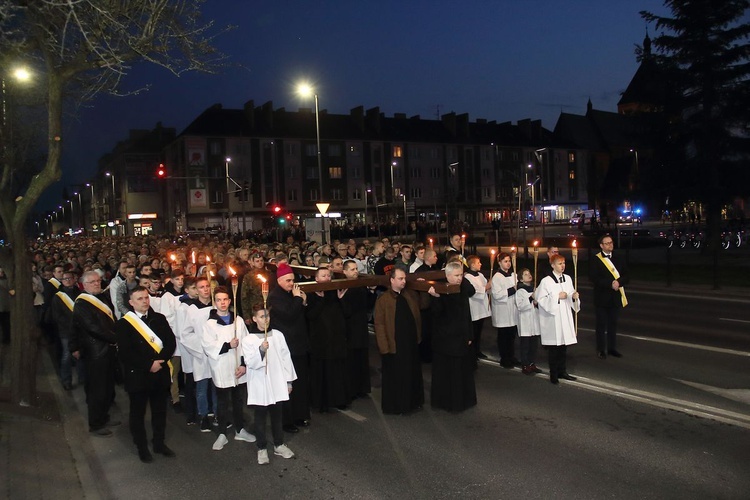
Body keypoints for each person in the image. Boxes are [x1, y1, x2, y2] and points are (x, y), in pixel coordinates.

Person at [115, 286, 176, 462]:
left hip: (159, 373)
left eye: (146, 298)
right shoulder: (124, 324)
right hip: (139, 375)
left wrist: (160, 361)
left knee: (159, 411)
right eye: (140, 299)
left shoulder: (159, 319)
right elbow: (125, 353)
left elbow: (170, 344)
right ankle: (141, 447)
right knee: (138, 413)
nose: (144, 302)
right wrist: (148, 364)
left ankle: (159, 443)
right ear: (131, 302)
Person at [202, 286, 257, 451]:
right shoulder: (210, 324)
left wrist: (243, 364)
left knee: (238, 400)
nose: (222, 303)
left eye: (225, 299)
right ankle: (222, 433)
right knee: (223, 402)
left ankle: (240, 429)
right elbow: (208, 346)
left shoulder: (238, 321)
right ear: (215, 302)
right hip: (221, 367)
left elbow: (247, 343)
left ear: (230, 300)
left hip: (237, 367)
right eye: (219, 300)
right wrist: (228, 345)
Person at [243, 304, 297, 464]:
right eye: (261, 316)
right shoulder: (249, 339)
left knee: (277, 415)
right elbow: (250, 362)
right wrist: (260, 350)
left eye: (267, 316)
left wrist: (288, 381)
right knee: (260, 417)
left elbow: (286, 357)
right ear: (254, 319)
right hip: (260, 383)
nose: (265, 319)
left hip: (276, 382)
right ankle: (261, 448)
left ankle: (279, 444)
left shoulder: (278, 335)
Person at [71, 270, 119, 436]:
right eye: (92, 282)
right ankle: (95, 423)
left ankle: (104, 417)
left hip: (108, 349)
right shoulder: (82, 303)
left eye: (98, 281)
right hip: (95, 351)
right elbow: (93, 328)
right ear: (84, 285)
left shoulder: (102, 297)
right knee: (96, 389)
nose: (97, 284)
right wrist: (115, 337)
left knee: (107, 387)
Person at [427, 262, 477, 412]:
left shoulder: (462, 288)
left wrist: (469, 334)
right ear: (447, 276)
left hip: (461, 336)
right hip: (446, 339)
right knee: (448, 372)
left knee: (462, 371)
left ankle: (464, 400)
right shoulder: (440, 289)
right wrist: (435, 297)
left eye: (461, 275)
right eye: (456, 275)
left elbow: (466, 313)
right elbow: (436, 315)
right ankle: (448, 402)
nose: (459, 278)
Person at [267, 263, 310, 433]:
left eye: (293, 280)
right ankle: (287, 421)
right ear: (279, 280)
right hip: (286, 348)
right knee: (287, 386)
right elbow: (288, 315)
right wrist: (299, 299)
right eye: (288, 280)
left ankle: (300, 415)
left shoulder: (292, 294)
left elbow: (300, 314)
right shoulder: (274, 297)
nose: (292, 283)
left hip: (298, 345)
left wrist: (303, 302)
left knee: (300, 384)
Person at [374, 268, 424, 415]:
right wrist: (384, 347)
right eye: (400, 279)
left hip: (410, 342)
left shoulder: (409, 295)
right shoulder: (384, 300)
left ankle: (414, 402)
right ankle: (398, 405)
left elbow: (419, 311)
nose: (404, 281)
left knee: (412, 372)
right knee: (397, 376)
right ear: (392, 280)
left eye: (404, 279)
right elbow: (380, 325)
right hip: (394, 344)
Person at [306, 267, 348, 412]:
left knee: (336, 372)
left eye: (328, 275)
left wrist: (342, 300)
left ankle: (338, 399)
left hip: (336, 340)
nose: (327, 278)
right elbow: (311, 315)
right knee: (321, 373)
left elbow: (345, 314)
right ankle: (321, 402)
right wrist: (321, 300)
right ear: (316, 279)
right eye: (323, 276)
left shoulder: (335, 291)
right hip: (320, 341)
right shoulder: (311, 294)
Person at [536, 255, 580, 385]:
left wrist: (574, 297)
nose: (562, 266)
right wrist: (557, 297)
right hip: (553, 318)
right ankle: (553, 374)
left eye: (564, 263)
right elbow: (541, 299)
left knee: (563, 347)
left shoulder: (567, 279)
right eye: (559, 263)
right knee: (554, 348)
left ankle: (562, 371)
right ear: (552, 265)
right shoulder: (546, 281)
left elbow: (571, 293)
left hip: (565, 316)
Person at [589, 234, 629, 359]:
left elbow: (626, 275)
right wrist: (610, 283)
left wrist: (619, 282)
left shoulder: (619, 257)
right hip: (602, 297)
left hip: (615, 297)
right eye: (607, 243)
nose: (610, 245)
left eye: (611, 242)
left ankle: (612, 348)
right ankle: (601, 349)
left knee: (613, 324)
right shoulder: (595, 259)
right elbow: (594, 278)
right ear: (601, 246)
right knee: (601, 325)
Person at [339, 260, 371, 399]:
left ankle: (362, 388)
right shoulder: (343, 287)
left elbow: (368, 305)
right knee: (351, 361)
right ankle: (352, 389)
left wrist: (371, 291)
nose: (355, 271)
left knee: (362, 359)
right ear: (344, 272)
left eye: (356, 268)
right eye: (352, 269)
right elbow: (345, 312)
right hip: (350, 330)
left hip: (361, 328)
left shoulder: (361, 286)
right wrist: (342, 299)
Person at [50, 271, 83, 390]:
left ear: (74, 279)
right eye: (65, 279)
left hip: (80, 330)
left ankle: (82, 378)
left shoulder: (80, 293)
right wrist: (71, 326)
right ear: (62, 281)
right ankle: (66, 380)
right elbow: (57, 316)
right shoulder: (58, 296)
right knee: (67, 355)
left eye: (70, 278)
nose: (68, 281)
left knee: (81, 354)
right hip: (66, 331)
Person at [490, 252, 519, 368]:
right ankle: (505, 358)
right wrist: (512, 290)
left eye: (509, 261)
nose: (508, 264)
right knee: (504, 337)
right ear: (500, 262)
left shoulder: (513, 275)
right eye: (505, 261)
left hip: (512, 310)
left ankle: (511, 356)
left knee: (511, 336)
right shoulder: (497, 277)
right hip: (502, 311)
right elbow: (497, 294)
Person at [464, 255, 491, 362]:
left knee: (479, 331)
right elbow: (474, 291)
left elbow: (486, 286)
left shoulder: (480, 275)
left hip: (482, 307)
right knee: (474, 332)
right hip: (474, 307)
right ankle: (472, 352)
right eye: (478, 263)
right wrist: (486, 287)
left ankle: (478, 350)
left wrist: (489, 285)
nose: (480, 264)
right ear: (472, 265)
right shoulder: (468, 277)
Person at [515, 268, 542, 375]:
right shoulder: (520, 291)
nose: (529, 275)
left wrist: (537, 303)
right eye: (525, 274)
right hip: (525, 321)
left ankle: (532, 363)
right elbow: (520, 306)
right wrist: (530, 299)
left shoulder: (534, 289)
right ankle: (525, 364)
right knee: (525, 345)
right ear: (521, 279)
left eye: (529, 273)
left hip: (534, 321)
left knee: (533, 345)